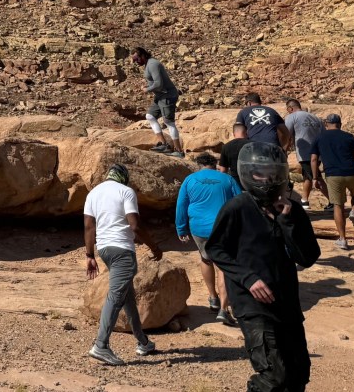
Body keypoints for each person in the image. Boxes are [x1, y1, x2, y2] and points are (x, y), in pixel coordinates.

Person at [207, 142, 319, 392]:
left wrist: (287, 221)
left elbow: (308, 257)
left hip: (286, 303)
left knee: (298, 372)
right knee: (273, 374)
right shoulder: (237, 207)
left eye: (274, 172)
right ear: (248, 174)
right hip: (252, 304)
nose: (268, 179)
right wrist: (248, 279)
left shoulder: (293, 209)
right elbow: (216, 249)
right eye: (260, 173)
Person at [83, 162, 163, 366]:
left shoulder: (93, 193)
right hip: (122, 250)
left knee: (128, 297)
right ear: (124, 177)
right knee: (116, 296)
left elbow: (89, 226)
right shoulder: (126, 192)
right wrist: (154, 247)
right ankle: (101, 345)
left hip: (105, 250)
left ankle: (143, 342)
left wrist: (89, 255)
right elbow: (135, 225)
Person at [175, 152, 242, 325]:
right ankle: (224, 309)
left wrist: (181, 227)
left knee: (206, 259)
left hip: (198, 228)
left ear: (199, 165)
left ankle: (213, 297)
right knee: (223, 266)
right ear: (215, 164)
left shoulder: (190, 179)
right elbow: (240, 202)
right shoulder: (227, 179)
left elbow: (181, 204)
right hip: (223, 227)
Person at [310, 113, 354, 250]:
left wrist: (315, 178)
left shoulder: (319, 138)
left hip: (333, 176)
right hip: (352, 172)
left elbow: (314, 160)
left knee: (338, 206)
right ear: (340, 124)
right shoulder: (349, 136)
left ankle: (343, 239)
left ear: (326, 124)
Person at [131, 46, 184, 156]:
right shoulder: (148, 64)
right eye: (134, 60)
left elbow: (158, 84)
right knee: (150, 116)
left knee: (168, 122)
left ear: (143, 55)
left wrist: (147, 89)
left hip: (167, 96)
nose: (136, 62)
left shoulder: (153, 64)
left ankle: (178, 151)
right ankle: (164, 144)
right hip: (160, 96)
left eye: (137, 59)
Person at [282, 100, 325, 208]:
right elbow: (324, 135)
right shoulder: (316, 118)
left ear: (290, 108)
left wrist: (284, 150)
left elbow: (286, 134)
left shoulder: (292, 117)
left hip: (305, 153)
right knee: (308, 176)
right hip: (318, 153)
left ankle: (333, 201)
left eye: (288, 110)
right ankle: (305, 200)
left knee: (316, 177)